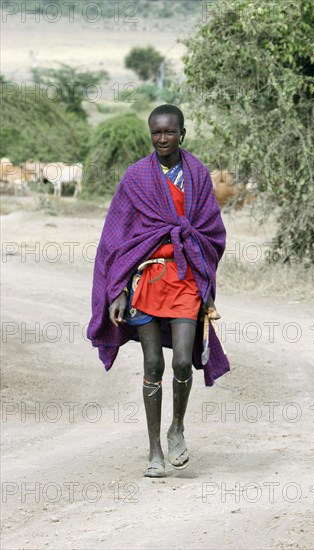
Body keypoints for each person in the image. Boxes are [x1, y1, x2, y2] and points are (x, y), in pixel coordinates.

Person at [87, 104, 230, 478]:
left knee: (184, 361)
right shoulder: (136, 177)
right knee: (153, 363)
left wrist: (205, 282)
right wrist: (116, 290)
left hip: (184, 279)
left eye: (169, 132)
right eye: (156, 132)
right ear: (150, 134)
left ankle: (177, 428)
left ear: (182, 133)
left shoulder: (197, 174)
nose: (162, 138)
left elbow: (211, 232)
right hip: (145, 281)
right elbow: (116, 240)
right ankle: (154, 450)